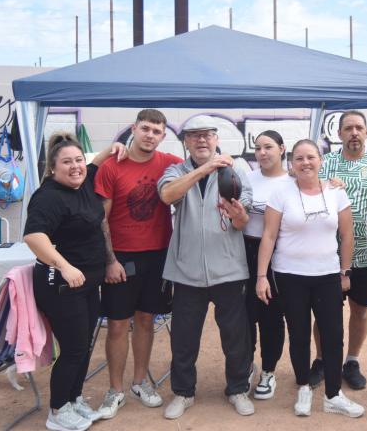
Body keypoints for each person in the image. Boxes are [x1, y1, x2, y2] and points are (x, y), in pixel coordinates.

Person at [256, 139, 364, 418]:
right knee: (299, 334)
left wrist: (345, 271)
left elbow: (347, 234)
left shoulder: (336, 192)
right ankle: (303, 386)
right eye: (300, 158)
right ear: (292, 163)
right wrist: (261, 276)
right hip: (289, 275)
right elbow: (268, 235)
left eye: (311, 157)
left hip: (327, 275)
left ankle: (333, 395)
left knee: (333, 335)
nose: (305, 162)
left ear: (321, 161)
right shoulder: (281, 193)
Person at [24, 133, 124, 431]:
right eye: (67, 162)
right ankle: (57, 410)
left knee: (83, 345)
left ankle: (74, 398)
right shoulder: (49, 196)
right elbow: (33, 236)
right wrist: (64, 266)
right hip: (61, 286)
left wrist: (113, 147)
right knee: (73, 348)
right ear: (53, 168)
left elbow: (94, 163)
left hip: (88, 285)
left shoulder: (84, 181)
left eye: (78, 160)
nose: (76, 166)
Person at [157, 115, 255, 420]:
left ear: (216, 139)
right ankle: (183, 393)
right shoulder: (175, 171)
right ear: (185, 141)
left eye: (207, 135)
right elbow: (167, 195)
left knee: (235, 335)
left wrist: (237, 213)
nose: (202, 140)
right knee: (184, 338)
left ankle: (238, 389)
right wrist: (204, 168)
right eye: (195, 135)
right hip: (186, 271)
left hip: (228, 269)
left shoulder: (236, 169)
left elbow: (243, 221)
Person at [94, 109, 183, 419]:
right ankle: (115, 389)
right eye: (145, 128)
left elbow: (205, 167)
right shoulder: (111, 166)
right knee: (118, 324)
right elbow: (101, 218)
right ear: (134, 128)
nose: (150, 135)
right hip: (121, 258)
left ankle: (140, 382)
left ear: (162, 136)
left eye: (157, 132)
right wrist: (110, 261)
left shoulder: (170, 164)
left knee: (146, 320)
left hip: (158, 256)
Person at [312, 110, 367, 390]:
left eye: (359, 128)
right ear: (339, 134)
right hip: (326, 254)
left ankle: (352, 361)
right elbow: (304, 189)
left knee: (360, 311)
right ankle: (322, 360)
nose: (354, 133)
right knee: (325, 312)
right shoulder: (325, 164)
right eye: (348, 128)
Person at [243, 130, 292, 399]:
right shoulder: (246, 178)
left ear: (282, 149)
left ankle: (269, 372)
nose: (262, 152)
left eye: (268, 147)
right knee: (245, 315)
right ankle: (247, 365)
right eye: (258, 148)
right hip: (245, 252)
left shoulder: (292, 181)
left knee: (271, 316)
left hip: (278, 255)